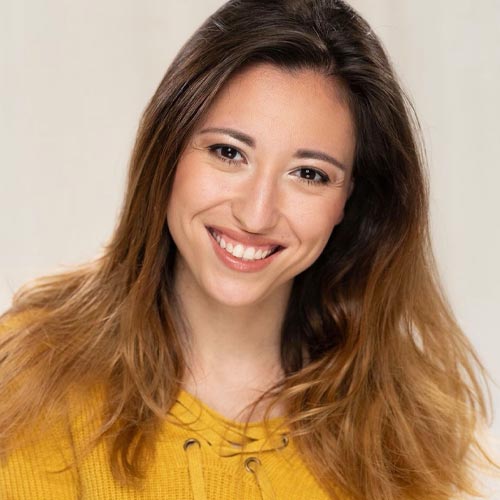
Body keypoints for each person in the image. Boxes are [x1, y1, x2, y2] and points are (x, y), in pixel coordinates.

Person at [0, 0, 498, 499]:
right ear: (169, 149)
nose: (257, 215)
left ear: (351, 198)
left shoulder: (401, 438)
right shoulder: (28, 380)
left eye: (309, 174)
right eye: (228, 152)